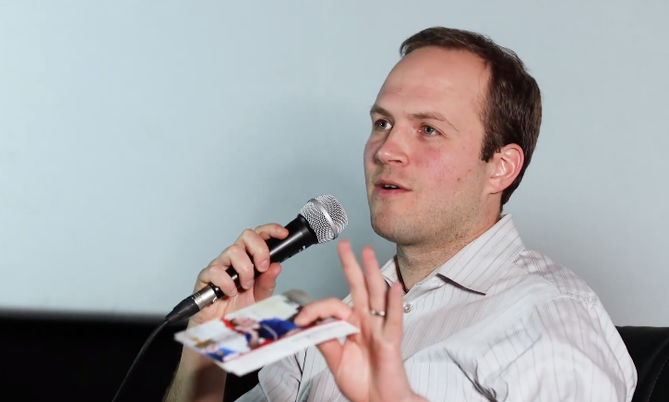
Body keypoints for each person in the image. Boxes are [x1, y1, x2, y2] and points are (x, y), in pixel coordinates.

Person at [163, 26, 637, 402]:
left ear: (500, 168)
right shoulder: (330, 315)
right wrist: (208, 352)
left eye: (428, 129)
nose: (387, 149)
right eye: (382, 123)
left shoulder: (551, 321)